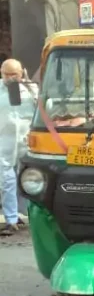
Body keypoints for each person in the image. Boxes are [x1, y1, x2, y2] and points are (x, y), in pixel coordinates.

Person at [0, 58, 36, 237]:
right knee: (7, 181)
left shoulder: (30, 90)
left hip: (25, 142)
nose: (10, 78)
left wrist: (31, 88)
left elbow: (45, 108)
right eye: (6, 74)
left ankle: (23, 214)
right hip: (3, 143)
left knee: (25, 180)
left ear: (21, 73)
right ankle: (11, 219)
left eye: (13, 74)